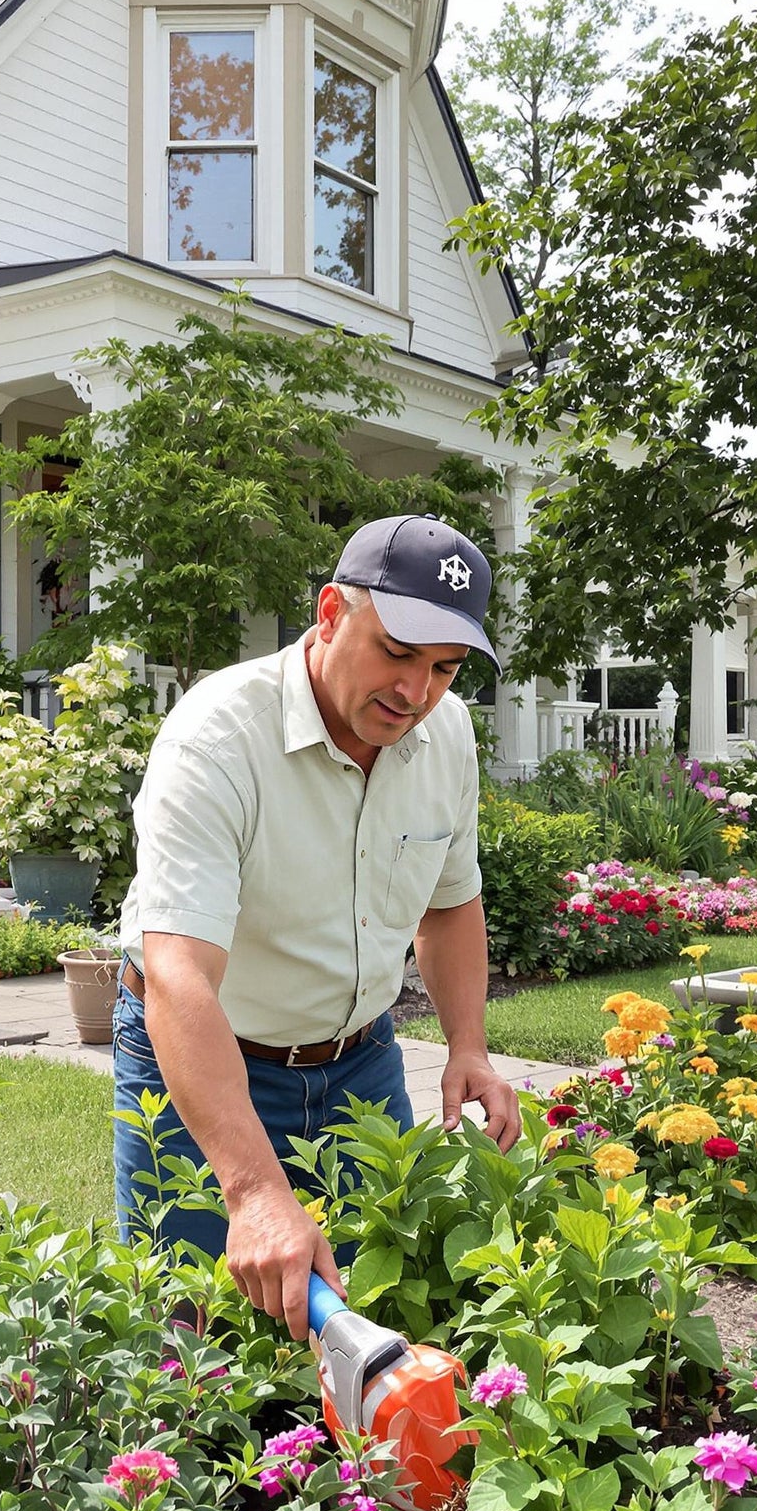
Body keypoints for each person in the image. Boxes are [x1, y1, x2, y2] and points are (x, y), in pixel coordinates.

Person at [112, 513, 522, 1338]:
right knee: (191, 1347)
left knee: (367, 1327)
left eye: (443, 667)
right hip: (205, 1063)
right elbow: (178, 972)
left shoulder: (443, 736)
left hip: (359, 1066)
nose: (416, 692)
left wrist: (468, 1046)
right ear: (330, 614)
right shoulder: (218, 736)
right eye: (397, 653)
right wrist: (257, 1191)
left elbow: (450, 900)